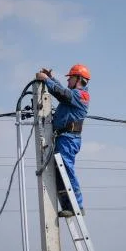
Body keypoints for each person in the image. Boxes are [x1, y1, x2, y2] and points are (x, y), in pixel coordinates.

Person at [35, 64, 91, 217]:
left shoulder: (82, 95)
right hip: (63, 137)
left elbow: (62, 93)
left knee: (66, 167)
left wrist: (47, 80)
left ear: (79, 79)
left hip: (69, 138)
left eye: (70, 78)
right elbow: (64, 91)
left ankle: (77, 205)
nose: (68, 81)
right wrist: (51, 79)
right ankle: (68, 205)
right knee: (59, 171)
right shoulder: (74, 94)